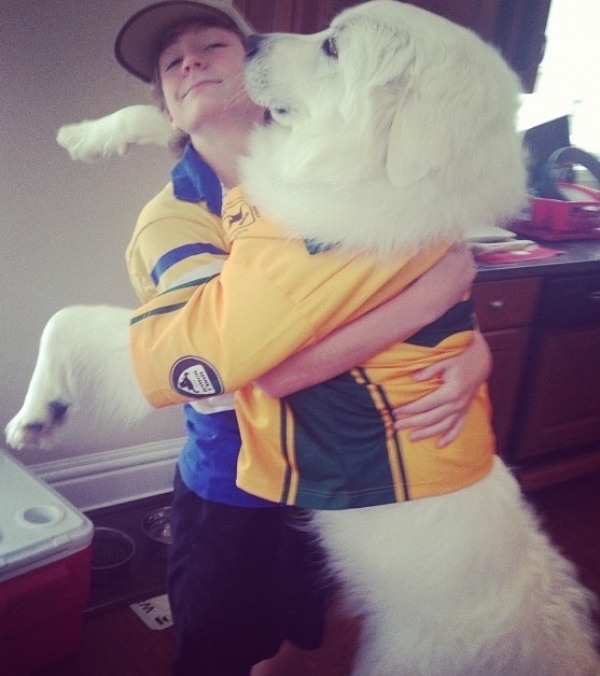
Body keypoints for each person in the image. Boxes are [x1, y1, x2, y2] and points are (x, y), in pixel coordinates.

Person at [114, 2, 491, 674]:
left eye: (213, 45)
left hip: (329, 471)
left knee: (297, 633)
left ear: (263, 69)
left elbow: (418, 273)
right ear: (169, 112)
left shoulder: (337, 175)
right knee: (217, 648)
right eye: (173, 63)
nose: (192, 60)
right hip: (232, 487)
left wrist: (475, 348)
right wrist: (431, 294)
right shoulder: (172, 221)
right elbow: (234, 373)